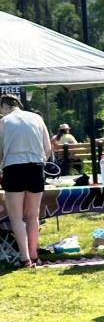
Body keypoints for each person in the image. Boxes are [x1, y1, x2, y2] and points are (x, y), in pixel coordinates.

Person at [0, 94, 52, 268]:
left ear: (4, 106)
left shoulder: (4, 122)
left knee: (16, 217)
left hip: (13, 168)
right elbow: (48, 148)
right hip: (36, 167)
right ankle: (34, 253)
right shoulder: (37, 118)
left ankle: (25, 258)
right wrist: (40, 161)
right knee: (33, 215)